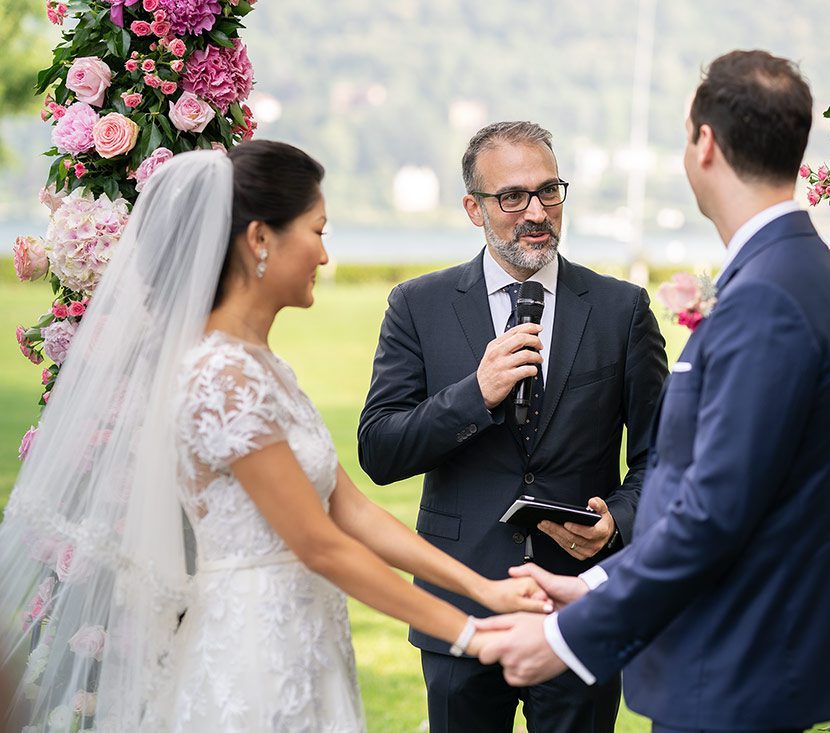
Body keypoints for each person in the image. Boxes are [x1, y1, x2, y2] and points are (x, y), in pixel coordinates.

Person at [0, 141, 548, 733]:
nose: (324, 254)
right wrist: (472, 634)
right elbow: (320, 544)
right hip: (252, 649)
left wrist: (485, 591)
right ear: (261, 239)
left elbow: (350, 510)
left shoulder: (263, 366)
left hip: (305, 636)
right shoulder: (220, 377)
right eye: (316, 231)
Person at [477, 51, 830, 733]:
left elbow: (713, 511)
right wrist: (592, 583)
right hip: (751, 660)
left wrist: (565, 637)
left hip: (735, 665)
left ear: (705, 143)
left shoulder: (769, 299)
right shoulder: (798, 271)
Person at [358, 121, 668, 732]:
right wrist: (475, 395)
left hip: (579, 605)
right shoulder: (417, 305)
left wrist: (618, 524)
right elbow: (379, 449)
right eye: (512, 197)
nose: (536, 212)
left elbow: (663, 461)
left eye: (549, 191)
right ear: (474, 207)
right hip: (459, 604)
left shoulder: (621, 309)